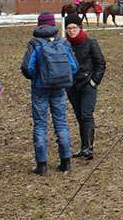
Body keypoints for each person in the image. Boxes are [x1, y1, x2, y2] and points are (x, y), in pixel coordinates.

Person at [20, 12, 78, 175]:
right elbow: (74, 67)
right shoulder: (63, 42)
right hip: (59, 88)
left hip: (39, 88)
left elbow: (27, 67)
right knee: (61, 122)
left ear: (39, 25)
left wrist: (36, 77)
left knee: (40, 124)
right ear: (53, 25)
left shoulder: (34, 43)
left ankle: (42, 164)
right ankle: (66, 161)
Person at [64, 13, 106, 161]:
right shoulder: (65, 45)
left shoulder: (90, 42)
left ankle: (89, 148)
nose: (71, 30)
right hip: (72, 86)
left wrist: (94, 81)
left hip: (88, 84)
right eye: (68, 28)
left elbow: (100, 63)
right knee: (79, 116)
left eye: (74, 27)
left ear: (79, 27)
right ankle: (83, 147)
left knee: (86, 114)